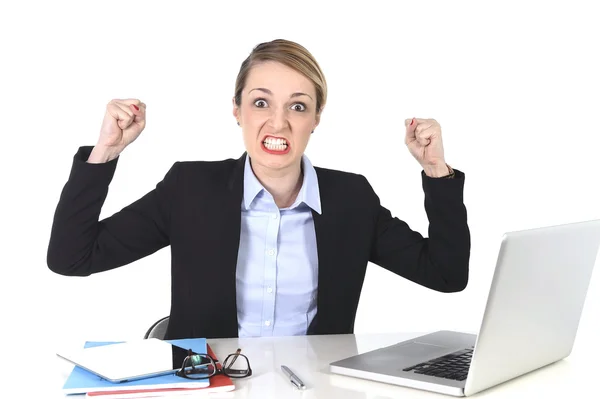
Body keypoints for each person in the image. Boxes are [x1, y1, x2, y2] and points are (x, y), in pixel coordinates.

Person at [47, 39, 470, 340]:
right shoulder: (190, 189)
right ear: (237, 110)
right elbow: (71, 258)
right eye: (261, 102)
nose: (279, 122)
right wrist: (105, 151)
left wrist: (436, 170)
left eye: (298, 106)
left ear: (316, 119)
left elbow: (447, 275)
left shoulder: (350, 199)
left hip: (314, 390)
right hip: (209, 389)